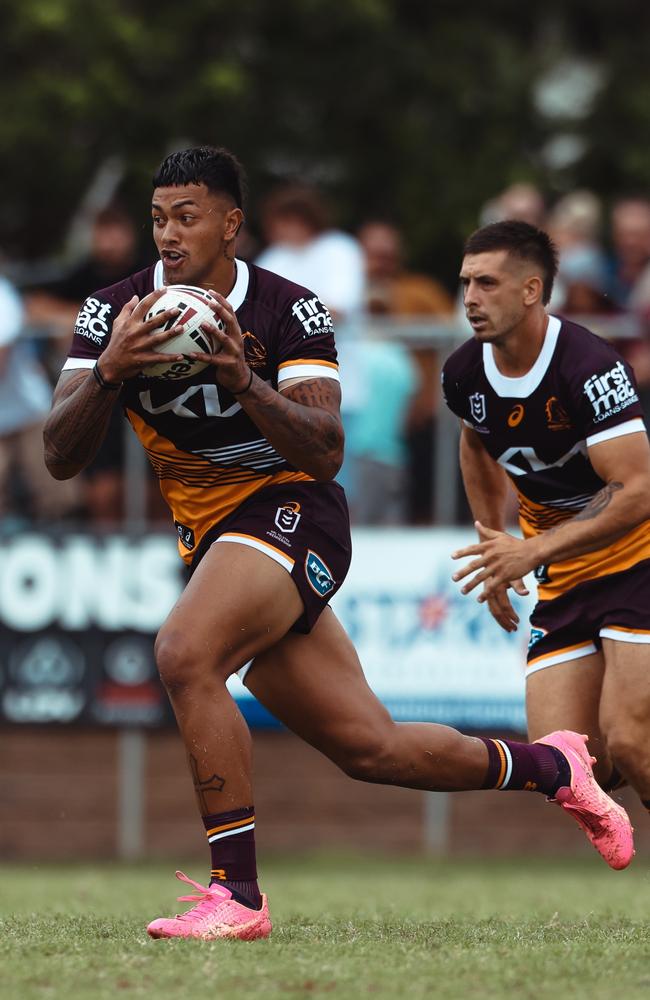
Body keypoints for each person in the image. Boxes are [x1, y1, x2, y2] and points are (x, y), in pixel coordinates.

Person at [44, 148, 633, 943]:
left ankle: (239, 896)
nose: (169, 234)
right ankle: (554, 768)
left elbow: (324, 450)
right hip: (215, 538)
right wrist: (111, 370)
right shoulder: (113, 312)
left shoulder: (291, 308)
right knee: (372, 747)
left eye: (187, 217)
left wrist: (242, 381)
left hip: (296, 510)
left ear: (231, 224)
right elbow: (59, 455)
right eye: (158, 219)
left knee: (185, 651)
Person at [442, 220, 650, 825]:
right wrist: (493, 547)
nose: (471, 299)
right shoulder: (464, 372)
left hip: (637, 561)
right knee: (570, 766)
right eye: (464, 283)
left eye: (487, 283)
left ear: (532, 291)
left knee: (634, 741)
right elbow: (475, 443)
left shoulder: (588, 366)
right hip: (562, 574)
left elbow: (638, 490)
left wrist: (530, 552)